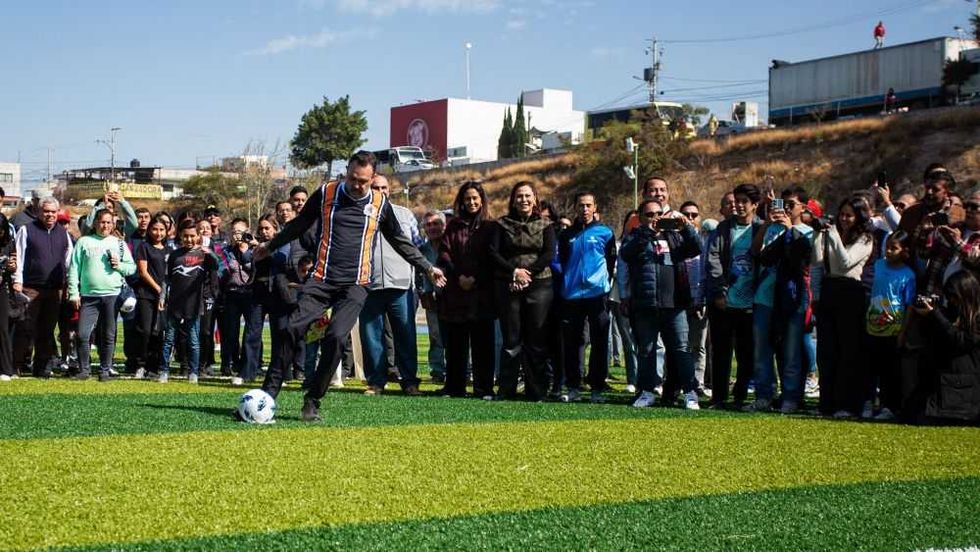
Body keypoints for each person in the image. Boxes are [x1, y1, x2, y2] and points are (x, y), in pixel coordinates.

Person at [254, 151, 445, 422]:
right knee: (291, 328)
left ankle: (313, 399)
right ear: (346, 171)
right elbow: (300, 224)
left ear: (373, 178)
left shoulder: (379, 203)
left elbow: (399, 240)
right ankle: (267, 395)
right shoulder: (326, 193)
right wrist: (271, 245)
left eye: (363, 181)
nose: (357, 185)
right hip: (321, 279)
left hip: (356, 284)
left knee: (335, 337)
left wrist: (427, 266)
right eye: (353, 178)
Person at [619, 199, 702, 409]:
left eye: (658, 214)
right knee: (646, 350)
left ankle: (690, 392)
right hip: (645, 304)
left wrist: (686, 228)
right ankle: (647, 391)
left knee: (681, 349)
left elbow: (697, 248)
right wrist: (647, 233)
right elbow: (626, 254)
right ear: (640, 217)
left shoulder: (674, 236)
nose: (655, 218)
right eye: (649, 215)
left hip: (675, 303)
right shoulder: (635, 237)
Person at [746, 187, 815, 413]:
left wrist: (789, 229)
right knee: (761, 349)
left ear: (803, 207)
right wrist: (767, 223)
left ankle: (791, 397)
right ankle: (764, 395)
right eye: (783, 204)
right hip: (765, 294)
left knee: (792, 350)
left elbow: (804, 261)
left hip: (793, 296)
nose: (786, 209)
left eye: (791, 205)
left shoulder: (809, 232)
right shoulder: (771, 228)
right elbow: (755, 252)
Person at [358, 175, 425, 396]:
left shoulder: (405, 214)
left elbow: (417, 246)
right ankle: (376, 382)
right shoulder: (360, 215)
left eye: (384, 187)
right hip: (369, 285)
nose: (380, 191)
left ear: (390, 190)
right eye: (375, 187)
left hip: (401, 285)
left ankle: (410, 382)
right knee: (371, 337)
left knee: (406, 336)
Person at [489, 181, 555, 401]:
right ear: (513, 200)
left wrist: (527, 274)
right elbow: (493, 253)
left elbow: (549, 253)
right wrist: (514, 272)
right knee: (511, 340)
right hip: (508, 285)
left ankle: (537, 391)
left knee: (536, 340)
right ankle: (506, 390)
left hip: (540, 285)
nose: (524, 200)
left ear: (535, 198)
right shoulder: (501, 224)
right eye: (519, 196)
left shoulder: (546, 224)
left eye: (528, 196)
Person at [812, 197, 875, 418]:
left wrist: (833, 234)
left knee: (848, 351)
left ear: (858, 217)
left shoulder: (866, 239)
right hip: (829, 290)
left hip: (851, 293)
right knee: (826, 351)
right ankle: (826, 404)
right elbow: (817, 260)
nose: (844, 219)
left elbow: (846, 262)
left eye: (849, 215)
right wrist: (818, 234)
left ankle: (846, 404)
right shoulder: (833, 234)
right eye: (842, 215)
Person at [706, 184, 765, 409]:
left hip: (751, 302)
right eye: (736, 201)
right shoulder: (723, 228)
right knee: (721, 352)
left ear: (755, 205)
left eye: (744, 201)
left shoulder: (761, 228)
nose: (738, 205)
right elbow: (712, 260)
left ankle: (740, 396)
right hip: (724, 302)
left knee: (746, 353)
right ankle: (719, 397)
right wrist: (719, 292)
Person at [438, 181, 498, 399]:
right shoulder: (453, 226)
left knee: (483, 344)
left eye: (475, 198)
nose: (471, 202)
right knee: (456, 344)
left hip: (483, 294)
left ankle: (484, 388)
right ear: (461, 202)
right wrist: (458, 276)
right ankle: (455, 387)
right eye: (467, 199)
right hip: (457, 293)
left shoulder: (491, 227)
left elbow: (493, 257)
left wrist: (475, 278)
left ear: (482, 200)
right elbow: (445, 254)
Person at [557, 192, 616, 403]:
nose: (584, 209)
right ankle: (573, 386)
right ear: (575, 207)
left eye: (588, 205)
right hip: (572, 295)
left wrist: (602, 283)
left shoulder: (605, 232)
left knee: (599, 341)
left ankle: (597, 387)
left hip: (597, 294)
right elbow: (562, 262)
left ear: (595, 207)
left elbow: (610, 261)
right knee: (572, 342)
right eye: (581, 205)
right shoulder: (566, 235)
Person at [67, 209, 136, 381]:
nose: (105, 225)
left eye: (108, 222)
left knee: (108, 335)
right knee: (82, 334)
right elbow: (74, 268)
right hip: (88, 296)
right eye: (102, 222)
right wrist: (74, 293)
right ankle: (84, 370)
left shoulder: (119, 243)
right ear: (95, 223)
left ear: (113, 224)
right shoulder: (84, 242)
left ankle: (105, 370)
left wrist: (119, 265)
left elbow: (131, 268)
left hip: (112, 295)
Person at [12, 196, 72, 378]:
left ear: (57, 212)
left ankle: (42, 368)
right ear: (39, 211)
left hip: (55, 289)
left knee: (47, 330)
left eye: (53, 212)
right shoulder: (26, 230)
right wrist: (17, 281)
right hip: (30, 288)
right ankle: (15, 366)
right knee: (25, 328)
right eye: (46, 211)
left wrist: (69, 284)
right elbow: (19, 257)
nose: (50, 215)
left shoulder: (63, 233)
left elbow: (69, 261)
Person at [159, 220, 220, 383]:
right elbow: (166, 279)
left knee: (193, 340)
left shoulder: (203, 255)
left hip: (194, 304)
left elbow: (217, 265)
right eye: (185, 236)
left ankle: (193, 372)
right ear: (180, 236)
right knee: (169, 339)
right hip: (175, 304)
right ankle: (164, 371)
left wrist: (210, 253)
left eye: (192, 236)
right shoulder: (174, 255)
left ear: (198, 236)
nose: (189, 239)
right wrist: (162, 297)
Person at [866, 231, 916, 421]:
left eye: (893, 248)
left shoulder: (908, 275)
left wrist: (903, 331)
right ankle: (868, 401)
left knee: (889, 369)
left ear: (905, 251)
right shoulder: (877, 265)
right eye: (887, 247)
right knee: (871, 366)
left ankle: (889, 405)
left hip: (893, 327)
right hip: (872, 323)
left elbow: (909, 304)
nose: (888, 251)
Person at [219, 218, 261, 385]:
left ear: (247, 232)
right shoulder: (227, 251)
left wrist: (245, 250)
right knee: (230, 331)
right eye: (234, 232)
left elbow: (254, 268)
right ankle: (230, 363)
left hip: (251, 294)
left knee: (251, 332)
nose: (237, 235)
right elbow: (222, 270)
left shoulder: (255, 249)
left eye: (240, 232)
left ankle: (251, 365)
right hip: (232, 293)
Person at [679, 201, 711, 395]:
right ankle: (675, 381)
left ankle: (697, 382)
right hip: (678, 299)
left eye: (694, 215)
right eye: (686, 214)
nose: (690, 218)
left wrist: (703, 299)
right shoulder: (674, 240)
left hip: (700, 299)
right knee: (678, 344)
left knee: (698, 345)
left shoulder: (706, 242)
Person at [132, 217, 168, 379]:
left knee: (158, 332)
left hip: (163, 297)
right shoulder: (144, 247)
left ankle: (154, 367)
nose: (158, 233)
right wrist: (158, 288)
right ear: (149, 230)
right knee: (145, 331)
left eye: (161, 229)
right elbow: (143, 272)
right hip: (146, 295)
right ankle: (140, 365)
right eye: (155, 229)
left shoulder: (169, 250)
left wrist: (164, 292)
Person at [418, 210, 447, 384]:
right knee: (435, 336)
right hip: (432, 298)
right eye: (428, 225)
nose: (432, 228)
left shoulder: (451, 245)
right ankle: (437, 371)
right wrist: (424, 293)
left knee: (457, 336)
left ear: (444, 226)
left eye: (436, 223)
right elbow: (419, 274)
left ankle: (462, 370)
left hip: (454, 298)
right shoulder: (422, 250)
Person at [0, 214, 16, 382]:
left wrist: (12, 266)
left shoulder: (9, 244)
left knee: (3, 329)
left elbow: (14, 265)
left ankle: (6, 369)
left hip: (2, 289)